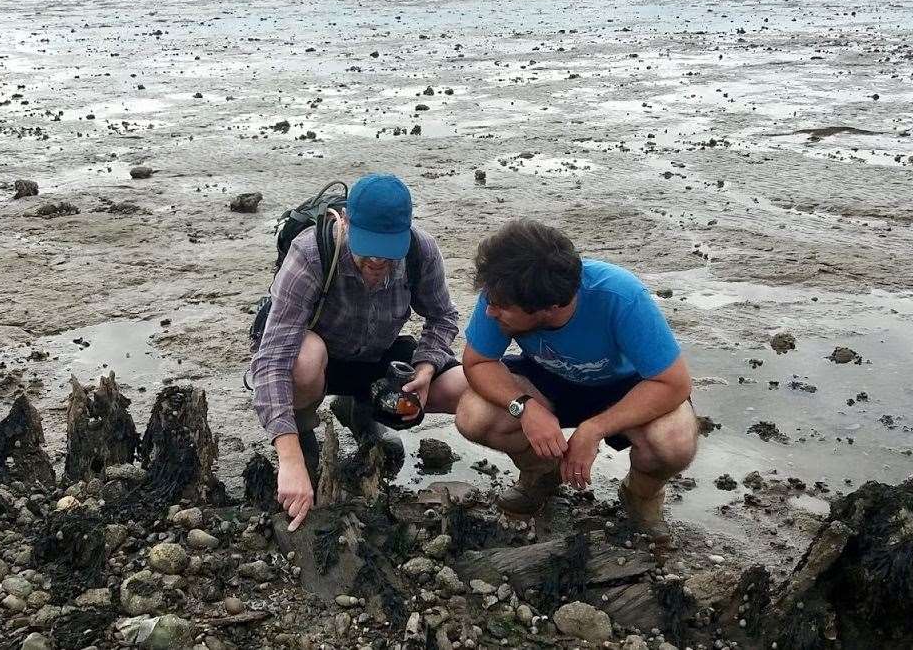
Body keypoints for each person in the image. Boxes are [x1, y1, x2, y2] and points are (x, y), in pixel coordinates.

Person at [454, 219, 697, 543]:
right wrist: (524, 408)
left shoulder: (620, 296)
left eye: (500, 307)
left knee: (674, 441)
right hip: (546, 378)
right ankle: (541, 474)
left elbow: (674, 383)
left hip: (623, 386)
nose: (489, 312)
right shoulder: (503, 288)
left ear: (549, 309)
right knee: (474, 415)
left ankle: (641, 495)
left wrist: (595, 429)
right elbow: (478, 361)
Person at [250, 173, 467, 531]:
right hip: (318, 358)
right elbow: (273, 358)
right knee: (303, 361)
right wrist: (288, 457)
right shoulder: (310, 253)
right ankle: (304, 438)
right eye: (367, 247)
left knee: (461, 387)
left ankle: (360, 411)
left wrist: (427, 367)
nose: (377, 262)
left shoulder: (420, 250)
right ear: (346, 222)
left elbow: (443, 317)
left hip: (377, 356)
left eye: (388, 250)